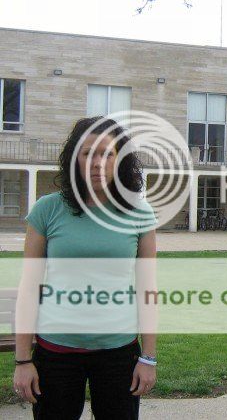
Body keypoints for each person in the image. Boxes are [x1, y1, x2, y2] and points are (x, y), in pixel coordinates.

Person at [13, 117, 158, 420]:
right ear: (73, 159)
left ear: (120, 160)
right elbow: (29, 287)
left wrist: (148, 358)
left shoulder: (140, 213)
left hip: (119, 352)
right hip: (56, 353)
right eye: (88, 153)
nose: (97, 162)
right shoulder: (47, 209)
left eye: (107, 153)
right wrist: (23, 360)